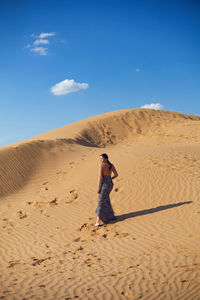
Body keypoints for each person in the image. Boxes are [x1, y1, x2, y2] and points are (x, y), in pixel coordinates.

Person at [95, 153, 118, 226]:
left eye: (102, 158)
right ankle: (111, 216)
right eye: (100, 158)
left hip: (104, 185)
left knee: (100, 201)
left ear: (106, 158)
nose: (100, 160)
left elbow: (100, 177)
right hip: (110, 184)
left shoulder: (101, 165)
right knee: (106, 199)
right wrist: (110, 179)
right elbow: (116, 174)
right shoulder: (111, 165)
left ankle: (98, 220)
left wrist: (98, 187)